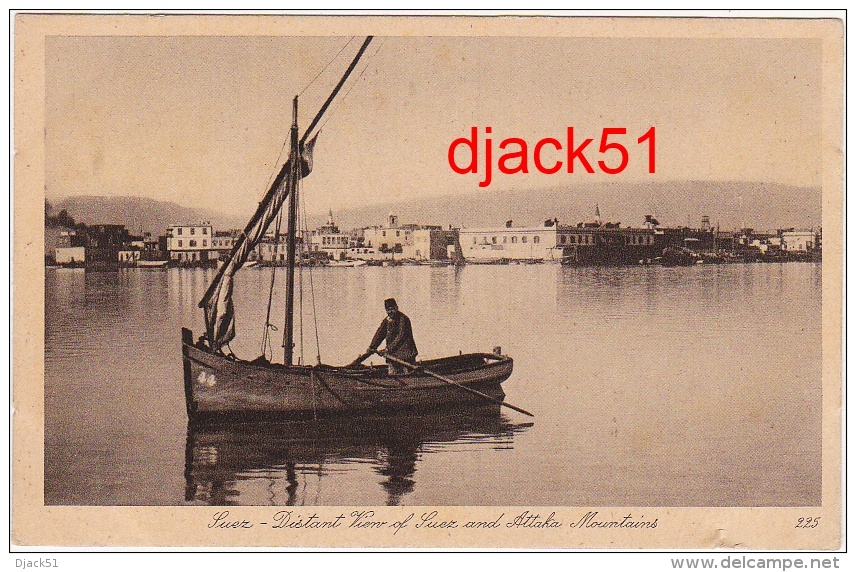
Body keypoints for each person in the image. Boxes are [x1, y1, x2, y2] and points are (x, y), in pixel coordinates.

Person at [368, 298, 418, 375]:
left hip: (405, 356)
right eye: (388, 310)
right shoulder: (387, 320)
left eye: (392, 309)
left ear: (396, 308)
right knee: (392, 374)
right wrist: (372, 346)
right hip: (392, 356)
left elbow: (401, 337)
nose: (390, 311)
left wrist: (388, 349)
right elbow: (380, 334)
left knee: (407, 375)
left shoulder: (403, 319)